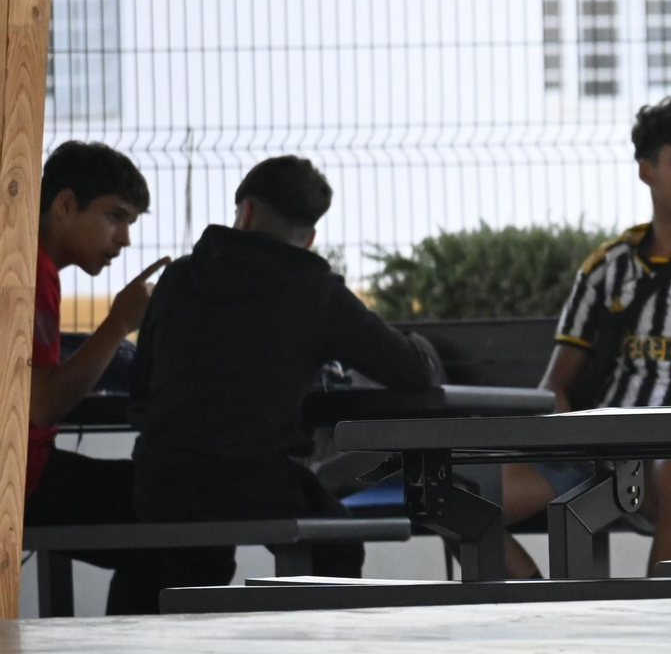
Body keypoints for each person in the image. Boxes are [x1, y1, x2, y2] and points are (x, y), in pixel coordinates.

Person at [129, 155, 443, 591]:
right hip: (254, 484)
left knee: (192, 560)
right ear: (310, 237)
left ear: (246, 211)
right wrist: (425, 348)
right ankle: (310, 651)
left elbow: (140, 392)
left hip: (160, 484)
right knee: (337, 544)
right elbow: (411, 371)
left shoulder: (178, 279)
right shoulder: (315, 292)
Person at [502, 93, 671, 578]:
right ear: (645, 169)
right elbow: (557, 384)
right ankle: (538, 603)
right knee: (460, 497)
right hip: (599, 449)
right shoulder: (608, 263)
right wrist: (571, 438)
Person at [24, 141, 168, 614]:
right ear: (65, 205)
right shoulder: (31, 272)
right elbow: (42, 404)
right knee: (170, 516)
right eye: (115, 217)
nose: (124, 239)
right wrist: (116, 325)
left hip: (30, 470)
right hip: (23, 481)